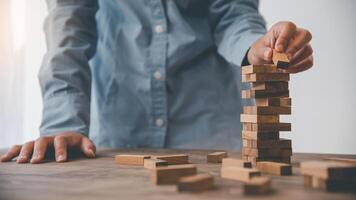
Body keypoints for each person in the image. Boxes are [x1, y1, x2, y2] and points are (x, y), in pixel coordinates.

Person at [0, 0, 313, 164]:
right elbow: (68, 28)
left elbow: (233, 12)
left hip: (207, 120)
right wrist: (62, 122)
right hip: (117, 121)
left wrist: (255, 47)